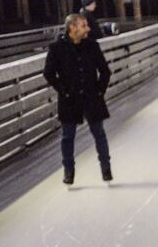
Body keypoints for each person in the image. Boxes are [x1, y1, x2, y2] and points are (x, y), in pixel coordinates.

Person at [43, 12, 113, 187]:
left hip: (91, 96)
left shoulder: (92, 46)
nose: (88, 29)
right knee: (68, 136)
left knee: (99, 134)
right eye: (84, 26)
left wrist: (99, 91)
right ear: (72, 28)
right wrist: (63, 90)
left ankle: (106, 168)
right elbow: (48, 73)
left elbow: (105, 71)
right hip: (70, 99)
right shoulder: (57, 48)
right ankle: (68, 171)